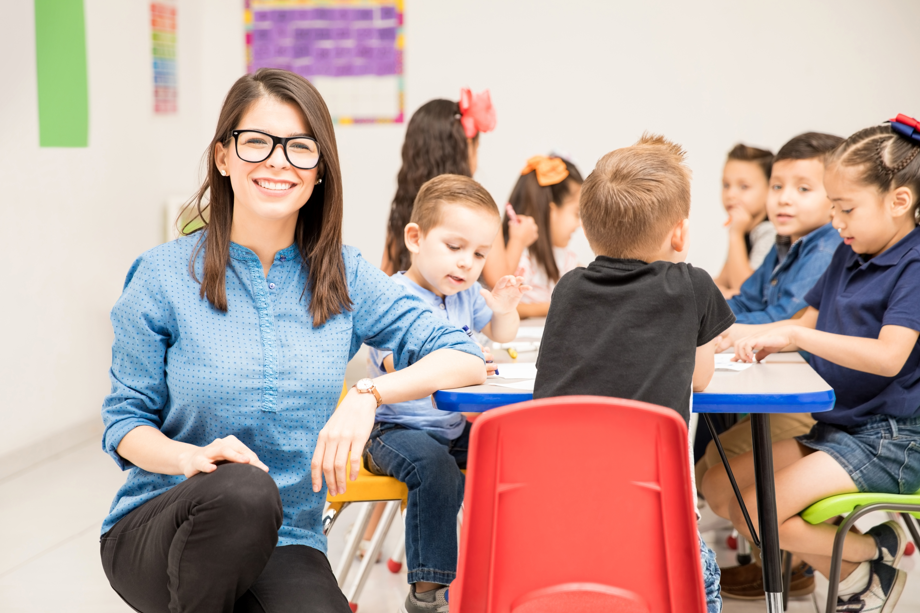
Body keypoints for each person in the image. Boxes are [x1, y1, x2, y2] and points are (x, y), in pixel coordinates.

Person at [98, 69, 488, 613]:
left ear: (319, 171)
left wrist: (368, 396)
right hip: (163, 524)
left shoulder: (342, 274)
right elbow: (124, 424)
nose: (279, 161)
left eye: (300, 148)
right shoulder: (163, 275)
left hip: (288, 539)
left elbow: (464, 356)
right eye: (257, 142)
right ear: (223, 157)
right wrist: (189, 458)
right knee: (243, 489)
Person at [703, 115, 920, 612]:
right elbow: (799, 320)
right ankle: (862, 576)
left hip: (892, 438)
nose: (836, 220)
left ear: (899, 202)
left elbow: (889, 357)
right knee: (720, 486)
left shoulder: (913, 263)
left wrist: (798, 335)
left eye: (845, 208)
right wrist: (719, 335)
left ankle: (876, 550)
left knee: (760, 508)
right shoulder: (852, 247)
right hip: (841, 422)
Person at [534, 134, 734, 613]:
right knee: (701, 576)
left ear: (587, 229)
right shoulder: (692, 285)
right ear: (680, 233)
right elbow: (702, 380)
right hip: (655, 519)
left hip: (556, 518)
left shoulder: (567, 288)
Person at [363, 174, 530, 613]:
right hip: (395, 430)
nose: (466, 264)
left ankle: (513, 567)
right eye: (455, 248)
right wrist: (458, 364)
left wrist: (504, 310)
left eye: (479, 254)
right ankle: (430, 589)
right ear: (415, 238)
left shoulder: (467, 294)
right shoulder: (393, 297)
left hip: (451, 426)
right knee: (435, 468)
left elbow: (501, 335)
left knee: (510, 452)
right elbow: (394, 366)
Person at [698, 132, 845, 599]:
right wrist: (710, 320)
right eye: (778, 186)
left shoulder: (825, 247)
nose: (783, 199)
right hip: (786, 385)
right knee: (710, 469)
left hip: (814, 404)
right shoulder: (788, 244)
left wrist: (714, 330)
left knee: (725, 486)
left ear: (836, 195)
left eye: (803, 188)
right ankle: (787, 566)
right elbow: (743, 303)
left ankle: (798, 563)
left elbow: (782, 322)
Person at [381, 89, 506, 275]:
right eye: (454, 247)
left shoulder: (402, 208)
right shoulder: (477, 210)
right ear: (464, 150)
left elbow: (384, 276)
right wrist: (519, 241)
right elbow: (500, 281)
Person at [488, 155, 583, 318]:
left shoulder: (566, 259)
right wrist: (550, 308)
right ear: (550, 212)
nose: (580, 224)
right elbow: (501, 304)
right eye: (577, 213)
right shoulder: (520, 258)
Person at [714, 144, 777, 298]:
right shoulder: (744, 228)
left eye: (744, 186)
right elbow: (720, 282)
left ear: (770, 188)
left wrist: (735, 234)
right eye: (726, 185)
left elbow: (745, 290)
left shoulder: (770, 231)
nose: (731, 194)